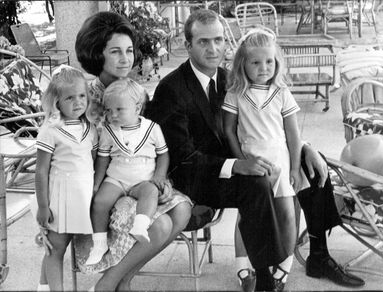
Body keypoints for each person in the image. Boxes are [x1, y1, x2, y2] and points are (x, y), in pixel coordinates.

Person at [145, 9, 365, 291]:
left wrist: (304, 148)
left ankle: (319, 255)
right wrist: (237, 165)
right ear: (187, 45)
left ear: (226, 43)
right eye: (203, 42)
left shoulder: (231, 79)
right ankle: (264, 276)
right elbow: (182, 158)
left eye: (218, 40)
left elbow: (266, 123)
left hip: (238, 159)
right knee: (258, 183)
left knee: (314, 166)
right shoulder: (171, 88)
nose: (213, 48)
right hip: (199, 178)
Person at [37, 11, 192, 291]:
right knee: (158, 227)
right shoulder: (81, 97)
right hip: (99, 188)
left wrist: (161, 178)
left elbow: (150, 144)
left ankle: (122, 279)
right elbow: (60, 150)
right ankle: (109, 283)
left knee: (181, 212)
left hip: (136, 179)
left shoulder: (134, 93)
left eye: (129, 50)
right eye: (115, 52)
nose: (125, 58)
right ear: (98, 54)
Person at [223, 28, 306, 291]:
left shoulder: (281, 93)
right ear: (242, 64)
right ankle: (243, 267)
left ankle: (283, 268)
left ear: (277, 62)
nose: (263, 67)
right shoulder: (236, 93)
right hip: (251, 160)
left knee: (286, 214)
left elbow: (293, 134)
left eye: (269, 61)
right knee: (247, 218)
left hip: (279, 160)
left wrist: (294, 166)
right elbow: (228, 130)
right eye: (255, 62)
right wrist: (240, 161)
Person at [86, 79, 171, 265]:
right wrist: (97, 183)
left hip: (143, 179)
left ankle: (141, 224)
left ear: (137, 107)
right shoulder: (109, 131)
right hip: (116, 178)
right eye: (108, 110)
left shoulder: (152, 129)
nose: (113, 114)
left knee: (151, 192)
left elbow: (163, 155)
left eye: (119, 109)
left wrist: (159, 175)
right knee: (100, 202)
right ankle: (99, 243)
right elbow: (103, 158)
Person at [34, 66, 98, 291]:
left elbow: (93, 161)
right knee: (56, 248)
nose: (78, 102)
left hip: (83, 196)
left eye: (82, 96)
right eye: (69, 98)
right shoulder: (51, 129)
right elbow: (41, 170)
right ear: (57, 102)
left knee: (60, 244)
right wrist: (43, 206)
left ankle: (43, 287)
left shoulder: (90, 129)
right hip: (60, 198)